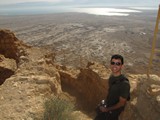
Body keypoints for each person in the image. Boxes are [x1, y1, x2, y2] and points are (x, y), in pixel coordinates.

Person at [95, 54, 130, 120]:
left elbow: (121, 103)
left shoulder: (124, 84)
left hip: (113, 113)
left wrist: (107, 109)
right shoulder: (112, 77)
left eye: (118, 64)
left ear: (122, 66)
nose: (115, 66)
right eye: (113, 63)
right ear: (110, 64)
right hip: (108, 107)